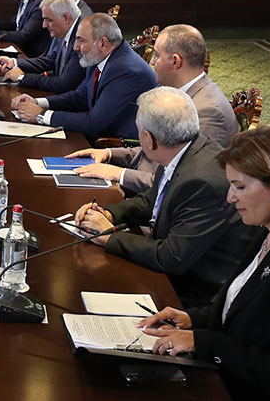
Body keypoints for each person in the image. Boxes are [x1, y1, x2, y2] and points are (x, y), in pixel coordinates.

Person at [139, 126, 270, 399]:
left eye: (240, 186)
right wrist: (192, 319)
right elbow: (241, 312)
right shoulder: (269, 230)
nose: (230, 197)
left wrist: (202, 342)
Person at [73, 87, 251, 308]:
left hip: (191, 296)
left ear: (149, 139)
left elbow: (172, 257)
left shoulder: (201, 182)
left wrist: (109, 237)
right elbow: (152, 201)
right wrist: (108, 214)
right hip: (170, 270)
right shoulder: (185, 149)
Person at [66, 24, 239, 195]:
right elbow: (156, 149)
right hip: (140, 187)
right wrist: (109, 153)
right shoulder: (175, 93)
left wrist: (119, 174)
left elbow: (177, 183)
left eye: (156, 55)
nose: (152, 62)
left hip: (152, 201)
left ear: (175, 61)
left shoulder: (208, 111)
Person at [11, 13, 157, 140]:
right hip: (96, 135)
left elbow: (94, 123)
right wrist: (38, 102)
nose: (75, 47)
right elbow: (79, 97)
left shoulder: (126, 71)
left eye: (81, 40)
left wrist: (41, 115)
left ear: (103, 43)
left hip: (115, 144)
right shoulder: (98, 56)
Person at [0, 0, 87, 94]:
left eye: (48, 20)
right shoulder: (66, 29)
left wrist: (22, 77)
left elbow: (63, 84)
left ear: (66, 18)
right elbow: (51, 60)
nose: (44, 25)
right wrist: (14, 62)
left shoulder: (82, 38)